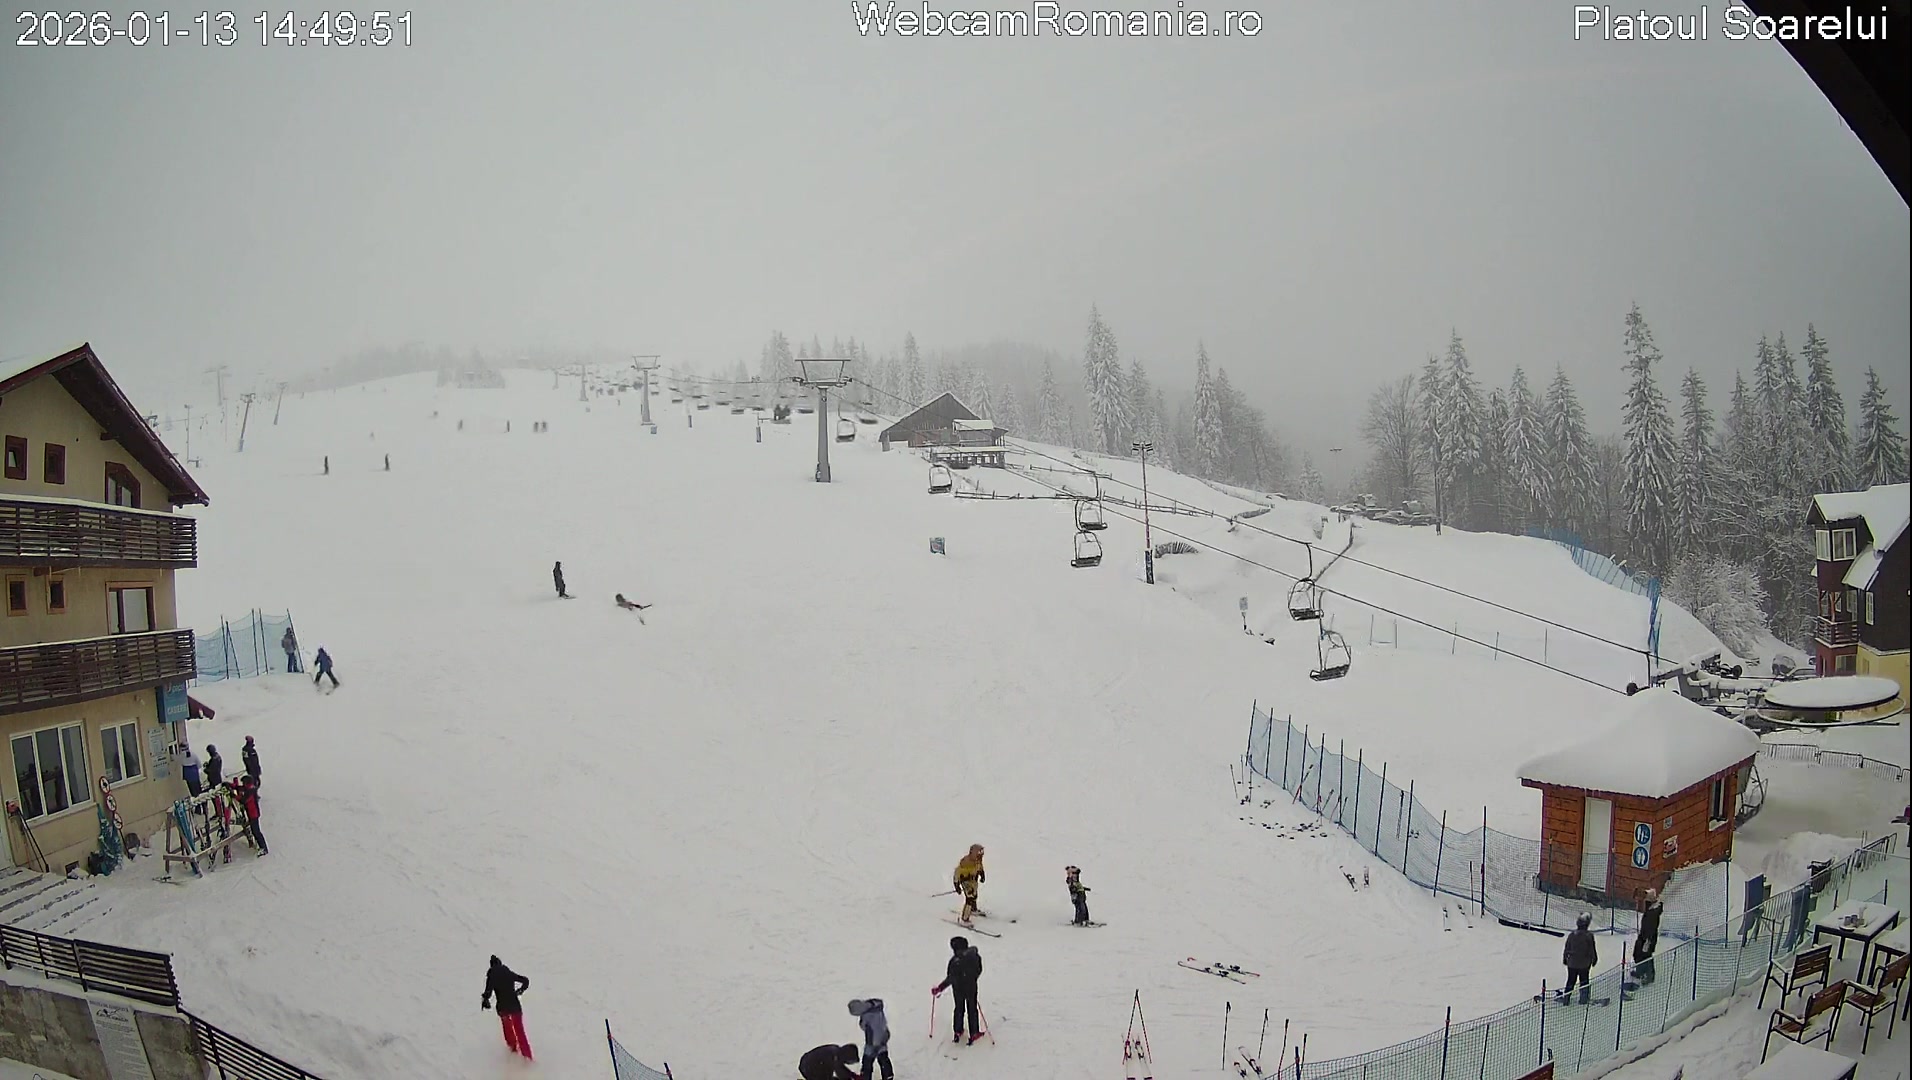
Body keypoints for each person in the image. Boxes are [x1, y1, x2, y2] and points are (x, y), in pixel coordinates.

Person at [931, 934, 984, 1044]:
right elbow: (979, 970)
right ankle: (974, 1032)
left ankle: (958, 1031)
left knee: (959, 1008)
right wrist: (972, 978)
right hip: (971, 987)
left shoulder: (954, 961)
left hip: (958, 989)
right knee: (972, 1008)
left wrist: (940, 988)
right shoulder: (974, 956)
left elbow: (951, 978)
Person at [481, 955, 533, 1059]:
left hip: (503, 1008)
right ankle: (527, 1057)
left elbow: (488, 992)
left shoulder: (492, 975)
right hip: (515, 1006)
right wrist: (520, 991)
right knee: (520, 1031)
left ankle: (513, 1052)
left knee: (508, 1029)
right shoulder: (508, 973)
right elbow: (525, 981)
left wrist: (485, 1000)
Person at [847, 999, 893, 1080]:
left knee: (867, 1061)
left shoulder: (867, 1016)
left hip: (872, 1041)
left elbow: (866, 1027)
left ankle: (866, 1077)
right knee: (883, 1058)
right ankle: (888, 1076)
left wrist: (874, 1044)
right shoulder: (876, 1008)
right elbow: (882, 1024)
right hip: (883, 1037)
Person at [1559, 913, 1597, 1004]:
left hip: (1572, 963)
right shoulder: (1588, 936)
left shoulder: (1572, 935)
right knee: (1584, 981)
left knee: (1570, 981)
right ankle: (1583, 999)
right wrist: (1594, 959)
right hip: (1584, 964)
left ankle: (1566, 998)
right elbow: (1591, 949)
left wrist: (1565, 958)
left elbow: (1567, 948)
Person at [1631, 888, 1664, 988]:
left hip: (1648, 938)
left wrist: (1647, 941)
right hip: (1644, 935)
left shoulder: (1653, 912)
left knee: (1646, 956)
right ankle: (1640, 971)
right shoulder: (1650, 909)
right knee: (1638, 953)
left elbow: (1651, 928)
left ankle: (1649, 976)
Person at [230, 775, 267, 855]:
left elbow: (243, 800)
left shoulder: (250, 791)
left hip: (253, 814)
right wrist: (232, 786)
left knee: (256, 831)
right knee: (255, 831)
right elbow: (241, 788)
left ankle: (263, 848)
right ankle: (261, 846)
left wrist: (235, 796)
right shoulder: (249, 788)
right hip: (252, 813)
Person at [952, 844, 985, 925]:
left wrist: (982, 875)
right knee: (969, 898)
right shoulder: (965, 862)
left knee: (974, 895)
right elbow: (957, 873)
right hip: (965, 882)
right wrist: (957, 885)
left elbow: (980, 868)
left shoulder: (978, 860)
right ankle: (965, 918)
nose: (981, 854)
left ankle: (973, 909)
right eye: (979, 852)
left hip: (973, 881)